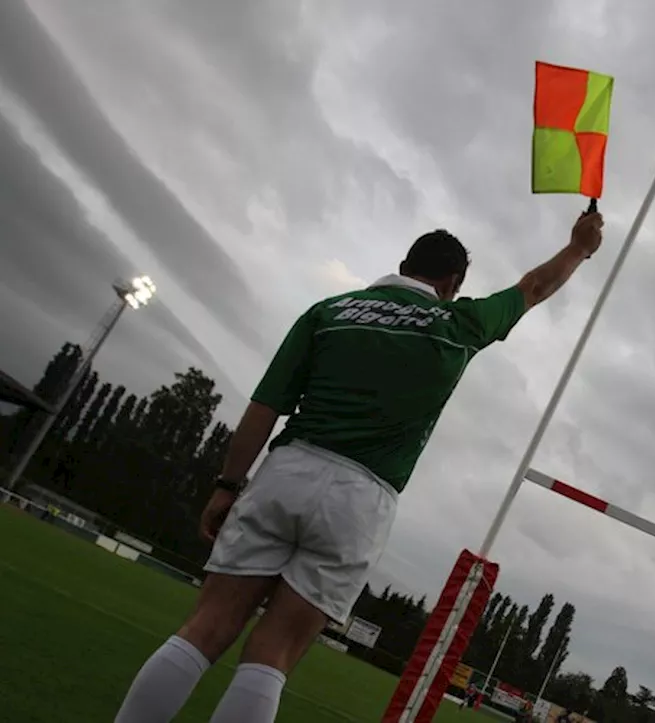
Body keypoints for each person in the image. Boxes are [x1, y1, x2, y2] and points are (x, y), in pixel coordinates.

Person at [113, 211, 605, 723]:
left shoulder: (330, 312)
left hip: (288, 471)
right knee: (273, 655)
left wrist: (226, 485)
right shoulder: (461, 322)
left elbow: (264, 408)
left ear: (402, 265)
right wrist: (578, 248)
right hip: (361, 498)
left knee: (207, 628)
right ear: (453, 284)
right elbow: (534, 287)